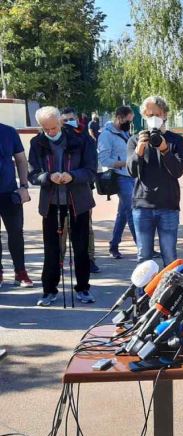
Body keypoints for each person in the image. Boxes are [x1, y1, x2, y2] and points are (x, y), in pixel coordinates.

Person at [29, 106, 97, 306]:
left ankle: (83, 288)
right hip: (51, 203)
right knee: (51, 249)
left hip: (78, 201)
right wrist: (47, 177)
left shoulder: (82, 139)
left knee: (81, 247)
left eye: (54, 127)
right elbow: (32, 174)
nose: (51, 132)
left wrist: (72, 176)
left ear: (60, 121)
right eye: (46, 129)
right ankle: (49, 290)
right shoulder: (36, 143)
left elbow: (91, 170)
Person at [127, 96, 183, 266]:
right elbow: (132, 171)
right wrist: (139, 150)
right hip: (142, 205)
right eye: (150, 115)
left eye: (157, 114)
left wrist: (165, 150)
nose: (154, 118)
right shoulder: (134, 140)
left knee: (169, 256)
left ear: (165, 115)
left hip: (168, 205)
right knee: (144, 257)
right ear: (144, 117)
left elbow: (178, 171)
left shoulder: (176, 140)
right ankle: (145, 285)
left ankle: (170, 285)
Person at [61, 107, 101, 273]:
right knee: (61, 227)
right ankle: (59, 261)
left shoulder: (85, 138)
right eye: (65, 120)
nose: (68, 123)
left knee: (86, 228)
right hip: (60, 190)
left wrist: (76, 176)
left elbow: (91, 165)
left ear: (77, 119)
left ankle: (89, 259)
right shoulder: (56, 138)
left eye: (71, 119)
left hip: (82, 188)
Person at [98, 106, 137, 259]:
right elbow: (104, 160)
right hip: (120, 177)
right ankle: (144, 247)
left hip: (132, 176)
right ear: (119, 118)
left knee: (123, 214)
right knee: (133, 212)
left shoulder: (125, 133)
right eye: (128, 121)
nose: (129, 124)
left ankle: (114, 246)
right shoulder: (106, 135)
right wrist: (126, 163)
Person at [0, 122, 33, 288]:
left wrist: (24, 186)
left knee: (16, 233)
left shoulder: (9, 132)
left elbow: (21, 160)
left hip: (9, 192)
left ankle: (20, 272)